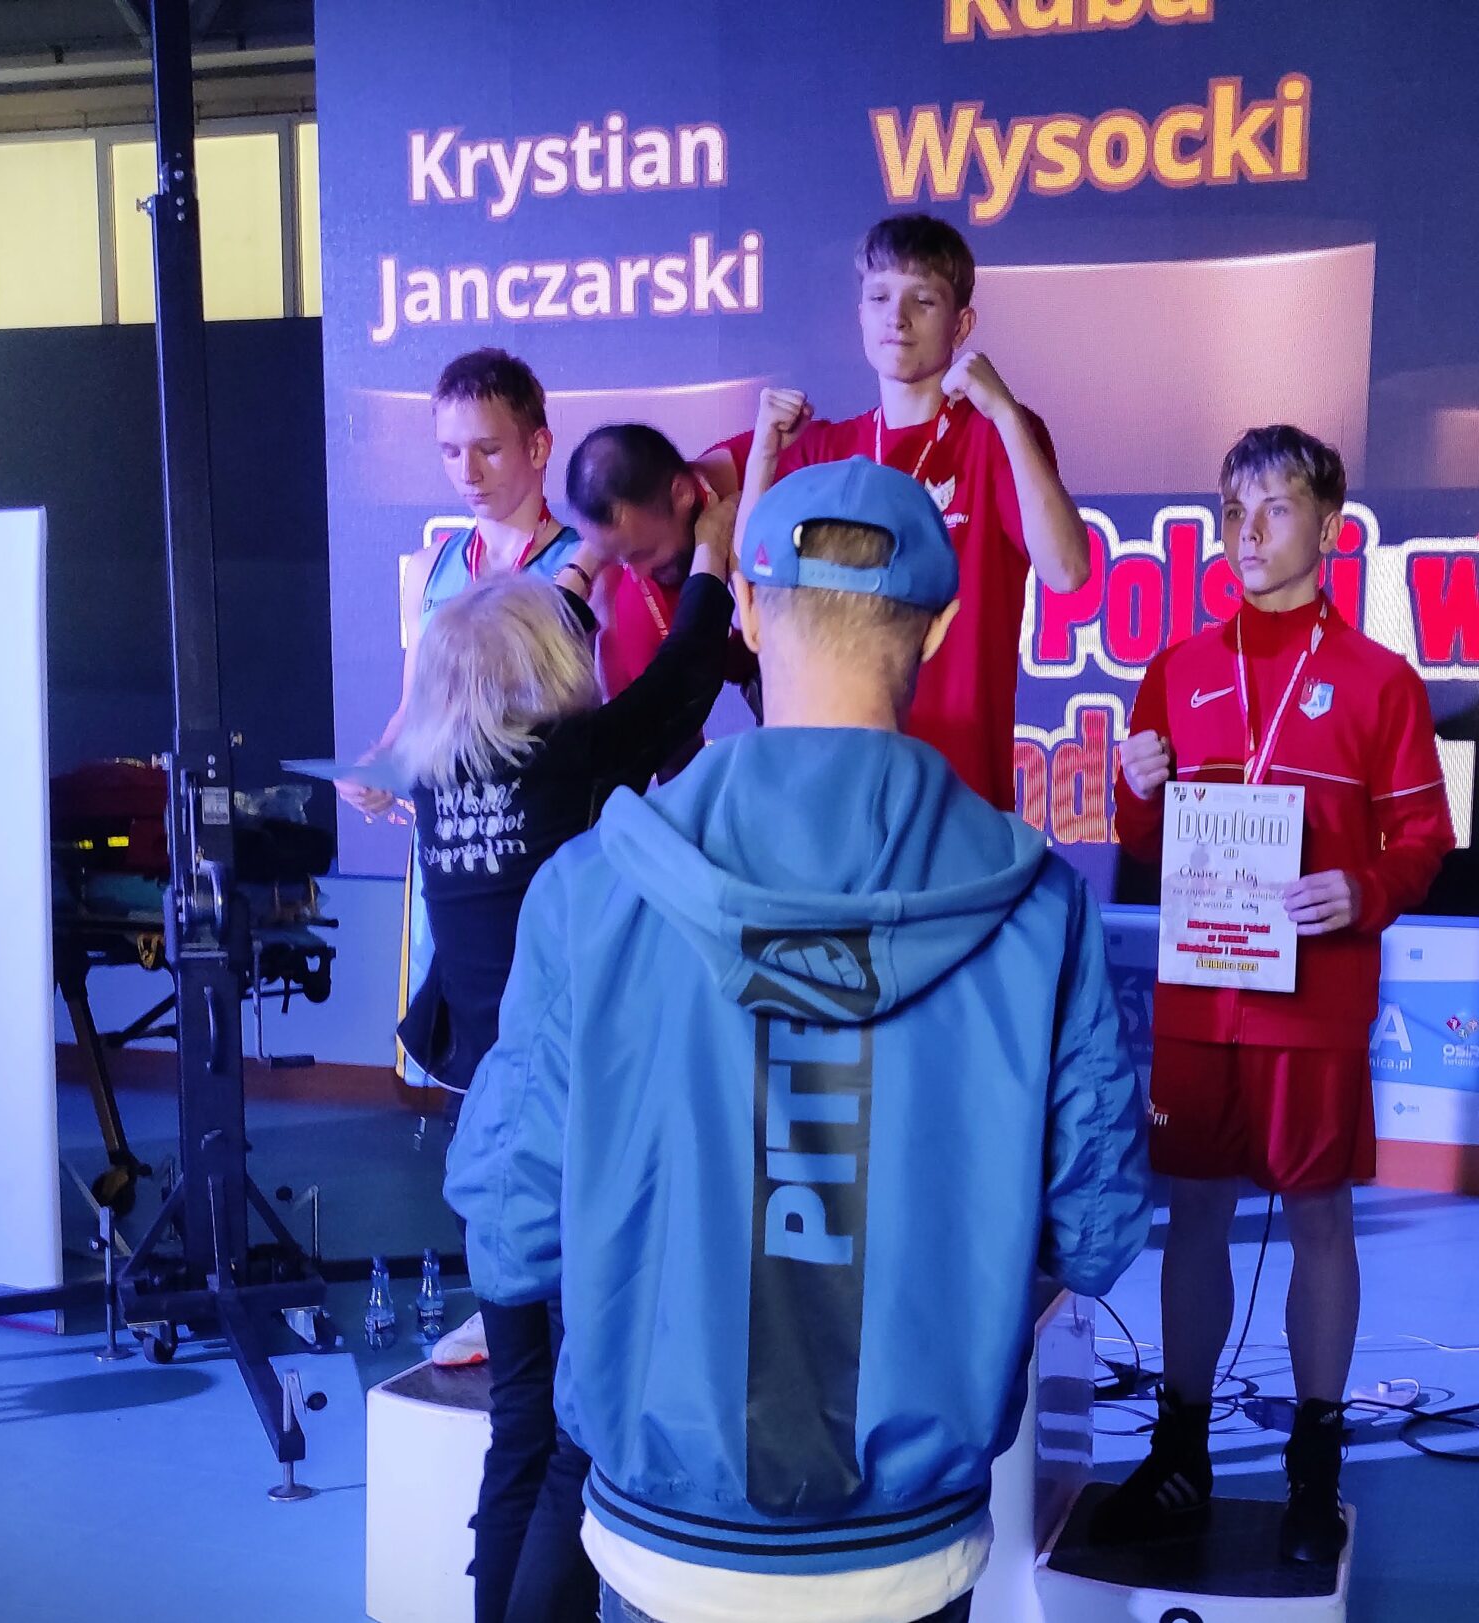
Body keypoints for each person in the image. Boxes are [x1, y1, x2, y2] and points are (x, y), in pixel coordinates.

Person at [447, 458, 1151, 1623]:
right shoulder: (1041, 908)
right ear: (937, 628)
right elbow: (1099, 1230)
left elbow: (511, 1234)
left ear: (748, 609)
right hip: (907, 1547)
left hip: (665, 1534)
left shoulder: (593, 886)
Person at [1093, 427, 1454, 1565]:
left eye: (1275, 508)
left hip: (1313, 999)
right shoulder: (1177, 669)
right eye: (1232, 511)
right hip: (1202, 997)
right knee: (1194, 1213)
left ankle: (1314, 1463)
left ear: (1330, 528)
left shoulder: (1380, 681)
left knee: (1318, 1218)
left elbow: (1422, 838)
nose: (1247, 533)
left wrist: (1363, 887)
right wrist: (1134, 787)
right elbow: (1144, 839)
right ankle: (1181, 1453)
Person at [389, 503, 737, 1623]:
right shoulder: (570, 759)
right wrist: (712, 547)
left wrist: (584, 560)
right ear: (547, 666)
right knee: (577, 1442)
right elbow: (684, 676)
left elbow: (515, 642)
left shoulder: (442, 779)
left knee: (520, 1429)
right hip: (577, 1137)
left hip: (492, 1141)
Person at [696, 213, 1090, 812]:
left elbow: (1067, 571)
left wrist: (1007, 414)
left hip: (958, 788)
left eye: (922, 300)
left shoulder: (992, 436)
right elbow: (754, 587)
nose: (897, 318)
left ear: (962, 324)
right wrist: (764, 459)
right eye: (879, 297)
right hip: (835, 785)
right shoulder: (829, 449)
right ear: (859, 313)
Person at [341, 349, 580, 1094]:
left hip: (544, 850)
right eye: (449, 451)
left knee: (551, 1062)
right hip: (454, 850)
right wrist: (380, 766)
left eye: (487, 448)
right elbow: (414, 708)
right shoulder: (431, 567)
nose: (467, 472)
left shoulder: (585, 565)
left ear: (538, 446)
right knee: (467, 1073)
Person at [563, 423, 759, 767]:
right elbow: (672, 762)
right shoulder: (637, 607)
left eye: (643, 552)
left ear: (682, 493)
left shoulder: (785, 459)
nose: (637, 573)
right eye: (619, 559)